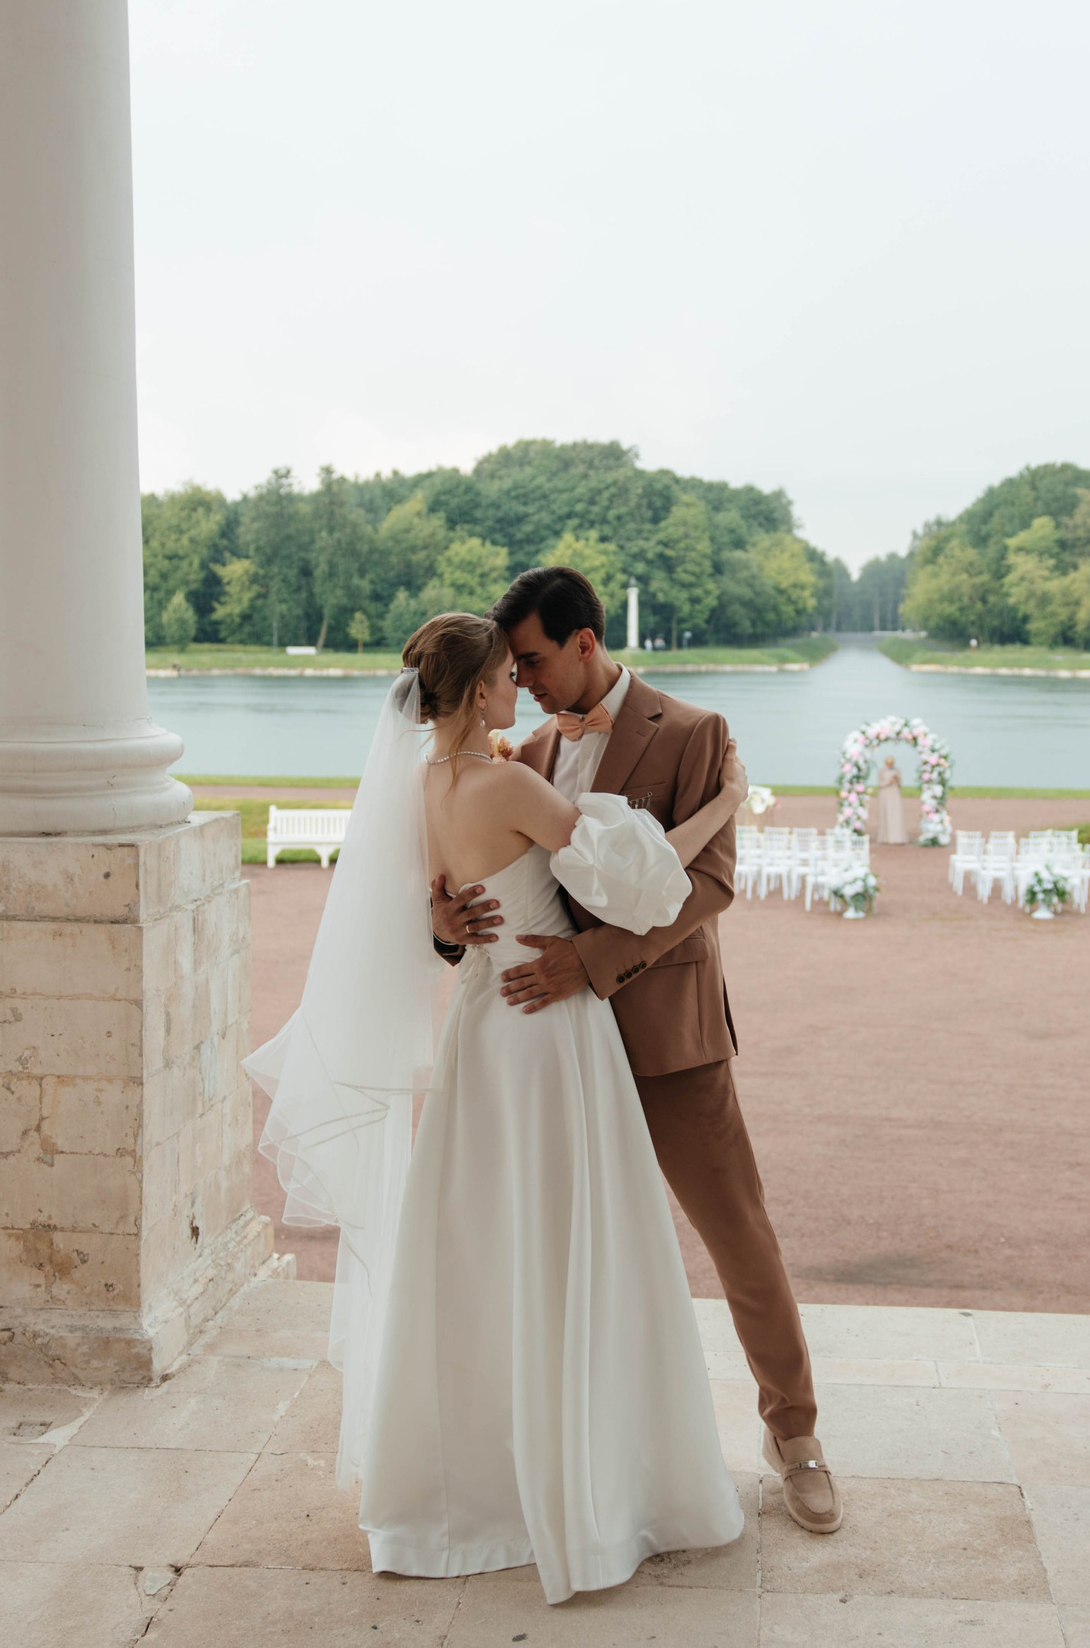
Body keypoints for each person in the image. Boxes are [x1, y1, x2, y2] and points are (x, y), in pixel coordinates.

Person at [247, 612, 754, 1602]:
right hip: (549, 1030)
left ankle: (474, 1492)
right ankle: (585, 1492)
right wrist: (723, 803)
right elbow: (641, 881)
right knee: (572, 1246)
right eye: (506, 679)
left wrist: (443, 920)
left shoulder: (422, 787)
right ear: (480, 691)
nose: (520, 689)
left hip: (480, 1025)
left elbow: (424, 908)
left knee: (480, 1254)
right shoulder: (506, 780)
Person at [430, 567, 843, 1538]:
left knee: (738, 1238)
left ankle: (797, 1440)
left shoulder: (694, 733)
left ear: (584, 642)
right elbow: (476, 887)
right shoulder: (519, 748)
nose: (520, 678)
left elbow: (706, 883)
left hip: (665, 1037)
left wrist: (593, 964)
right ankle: (585, 1457)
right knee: (553, 1255)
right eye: (509, 665)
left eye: (531, 658)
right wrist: (445, 927)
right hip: (542, 1050)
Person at [872, 754, 911, 844]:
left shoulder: (897, 770)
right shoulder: (881, 771)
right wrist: (888, 781)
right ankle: (886, 837)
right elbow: (879, 784)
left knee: (896, 814)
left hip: (894, 793)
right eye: (888, 763)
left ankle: (897, 836)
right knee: (886, 813)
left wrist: (897, 779)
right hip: (885, 794)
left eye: (891, 763)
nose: (890, 764)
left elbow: (900, 784)